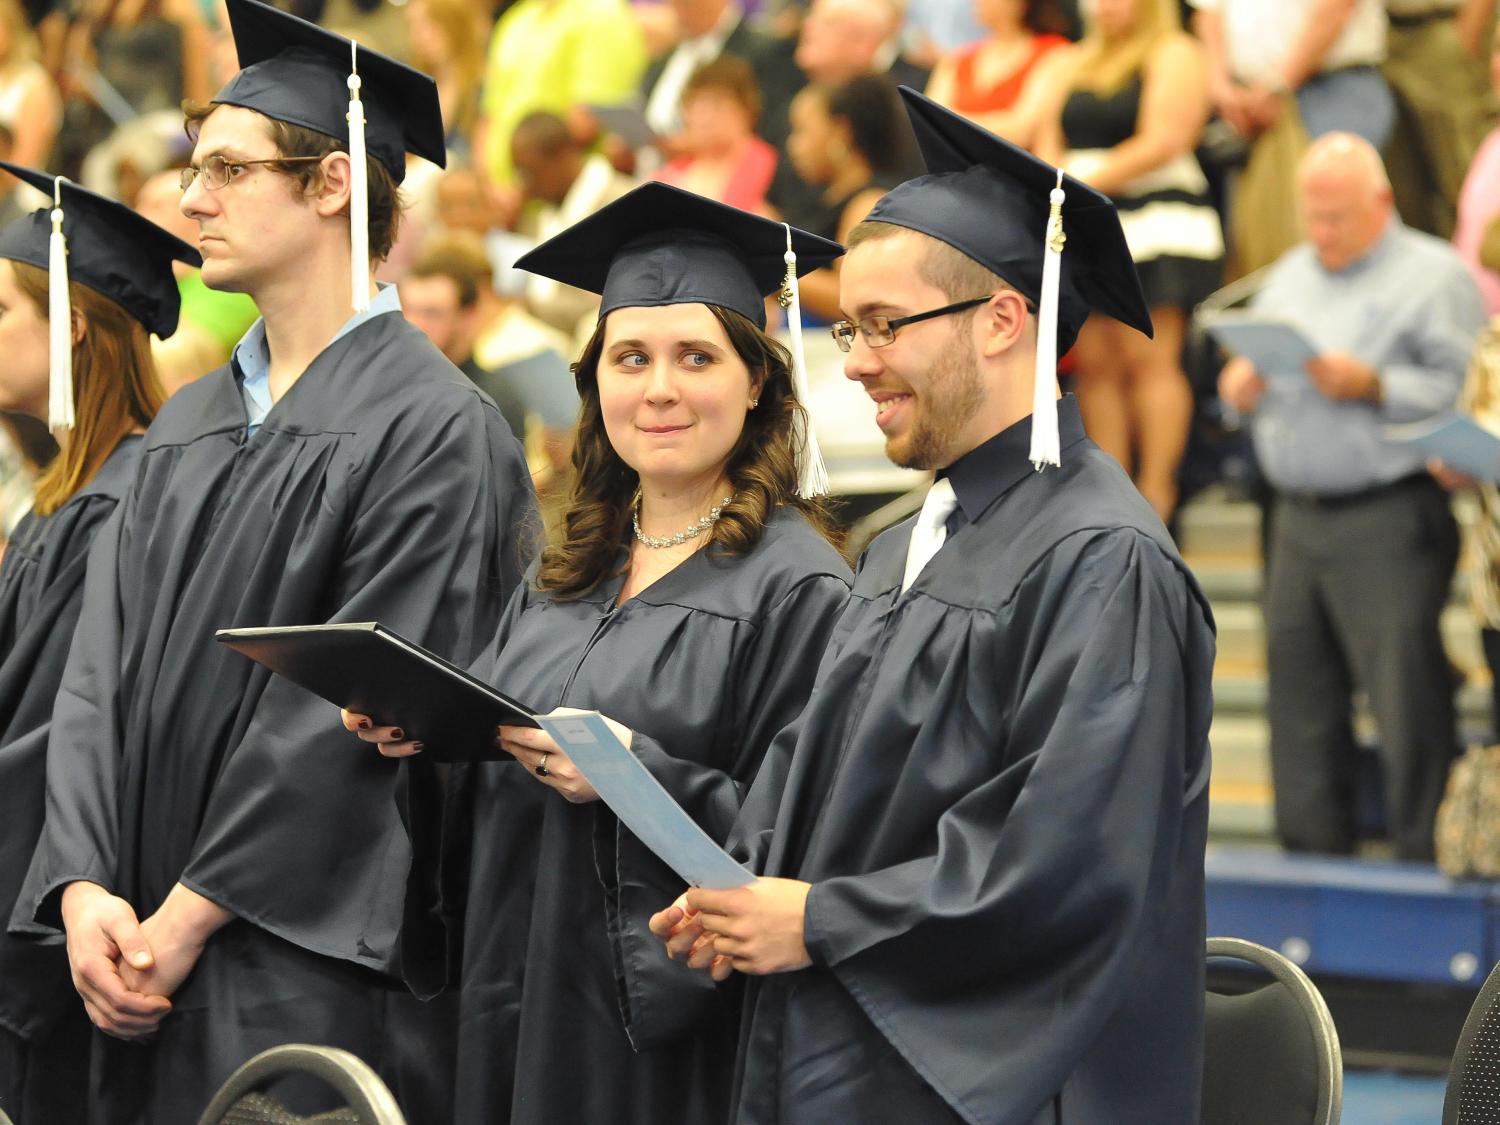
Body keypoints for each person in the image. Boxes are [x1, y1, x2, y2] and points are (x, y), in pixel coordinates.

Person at [11, 2, 535, 1122]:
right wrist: (85, 889)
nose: (190, 200)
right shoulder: (193, 421)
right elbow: (93, 679)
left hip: (293, 957)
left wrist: (188, 918)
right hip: (127, 938)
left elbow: (349, 718)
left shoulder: (435, 428)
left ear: (334, 184)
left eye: (226, 170)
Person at [652, 87, 1217, 1123]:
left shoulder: (1103, 558)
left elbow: (1070, 860)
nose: (855, 360)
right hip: (839, 1049)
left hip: (988, 1084)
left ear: (1003, 319)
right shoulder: (900, 544)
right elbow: (821, 788)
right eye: (845, 327)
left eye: (882, 326)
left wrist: (820, 919)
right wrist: (739, 883)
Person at [346, 181, 851, 1123]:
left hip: (655, 1047)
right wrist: (426, 738)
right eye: (631, 357)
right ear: (595, 382)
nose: (657, 387)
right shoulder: (562, 574)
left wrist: (633, 774)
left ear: (758, 383)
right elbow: (490, 788)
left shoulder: (798, 587)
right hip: (505, 991)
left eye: (695, 356)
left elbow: (804, 849)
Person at [1217, 132, 1484, 861]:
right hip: (1296, 516)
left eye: (1339, 218)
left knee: (1405, 698)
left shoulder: (1434, 277)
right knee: (1299, 699)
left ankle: (1423, 862)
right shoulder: (1290, 275)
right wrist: (1239, 389)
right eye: (1315, 216)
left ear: (1381, 203)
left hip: (1389, 513)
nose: (1324, 233)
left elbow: (1470, 393)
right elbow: (1254, 372)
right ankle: (1311, 865)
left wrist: (1374, 385)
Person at [0, 165, 198, 1125]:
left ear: (72, 323)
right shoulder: (64, 501)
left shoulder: (121, 505)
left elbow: (47, 741)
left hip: (63, 932)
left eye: (0, 306)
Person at [1033, 0, 1224, 522]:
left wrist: (1078, 183)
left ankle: (1159, 491)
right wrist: (1060, 186)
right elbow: (1046, 141)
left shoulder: (1175, 51)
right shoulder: (1069, 62)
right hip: (1086, 221)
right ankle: (1111, 493)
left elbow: (1167, 139)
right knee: (1096, 367)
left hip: (1157, 217)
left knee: (1151, 361)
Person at [472, 0, 646, 190]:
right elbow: (488, 116)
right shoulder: (514, 20)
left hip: (575, 196)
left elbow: (589, 119)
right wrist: (488, 186)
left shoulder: (602, 12)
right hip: (511, 196)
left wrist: (523, 184)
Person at [781, 74, 913, 318]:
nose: (792, 144)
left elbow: (850, 296)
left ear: (840, 131)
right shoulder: (821, 197)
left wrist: (770, 267)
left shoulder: (869, 202)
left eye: (801, 131)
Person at [925, 0, 1070, 147]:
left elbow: (1023, 130)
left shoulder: (1055, 54)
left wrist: (949, 123)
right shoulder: (957, 58)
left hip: (1018, 167)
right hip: (955, 166)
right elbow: (927, 120)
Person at [654, 56, 778, 213]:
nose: (705, 118)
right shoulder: (681, 162)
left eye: (716, 104)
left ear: (745, 108)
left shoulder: (766, 162)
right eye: (696, 105)